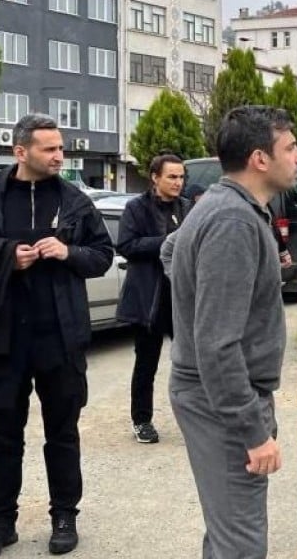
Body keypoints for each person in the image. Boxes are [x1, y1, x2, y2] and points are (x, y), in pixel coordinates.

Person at [0, 113, 114, 559]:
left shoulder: (75, 201)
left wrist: (68, 251)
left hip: (59, 334)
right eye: (50, 149)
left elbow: (103, 256)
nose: (59, 156)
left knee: (63, 432)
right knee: (3, 438)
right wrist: (1, 258)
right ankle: (0, 522)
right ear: (21, 152)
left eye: (60, 148)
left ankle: (64, 516)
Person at [163, 106, 297, 559]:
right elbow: (217, 343)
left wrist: (246, 280)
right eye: (291, 147)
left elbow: (173, 252)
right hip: (222, 403)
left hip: (215, 395)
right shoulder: (233, 220)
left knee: (226, 533)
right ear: (260, 159)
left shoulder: (227, 208)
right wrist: (253, 430)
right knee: (241, 543)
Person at [115, 153, 190, 444]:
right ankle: (142, 420)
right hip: (149, 298)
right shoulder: (136, 208)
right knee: (147, 363)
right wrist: (170, 241)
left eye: (181, 177)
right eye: (172, 176)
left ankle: (196, 417)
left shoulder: (187, 207)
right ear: (155, 177)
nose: (178, 182)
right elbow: (127, 245)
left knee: (191, 362)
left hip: (182, 299)